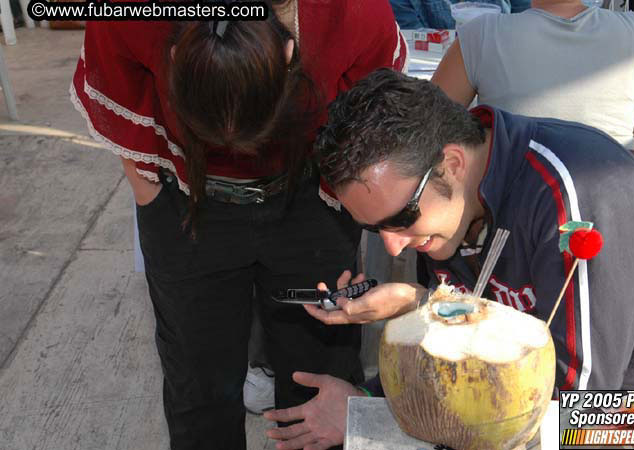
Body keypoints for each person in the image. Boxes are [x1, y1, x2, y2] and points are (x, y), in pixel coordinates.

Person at [264, 69, 634, 449]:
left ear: (453, 163)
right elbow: (472, 355)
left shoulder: (576, 192)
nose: (392, 248)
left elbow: (577, 417)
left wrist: (370, 420)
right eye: (375, 229)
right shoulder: (450, 208)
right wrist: (415, 312)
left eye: (401, 219)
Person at [70, 2, 407, 448]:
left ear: (289, 54)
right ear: (174, 59)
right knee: (198, 386)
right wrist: (148, 195)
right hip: (185, 203)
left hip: (311, 197)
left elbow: (373, 108)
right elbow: (116, 84)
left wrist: (348, 207)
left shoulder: (351, 10)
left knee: (319, 376)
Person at [430, 0, 634, 151]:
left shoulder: (480, 36)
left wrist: (492, 136)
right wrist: (614, 128)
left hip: (512, 215)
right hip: (609, 212)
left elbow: (429, 132)